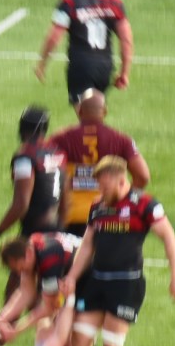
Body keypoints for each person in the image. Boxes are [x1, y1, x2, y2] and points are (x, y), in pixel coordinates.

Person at [59, 155, 175, 346]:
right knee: (79, 339)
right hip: (97, 281)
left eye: (104, 186)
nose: (101, 192)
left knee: (111, 344)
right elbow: (88, 245)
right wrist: (71, 276)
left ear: (120, 180)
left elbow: (168, 236)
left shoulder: (145, 205)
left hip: (126, 284)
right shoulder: (99, 206)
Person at [0, 106, 66, 300]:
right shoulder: (58, 154)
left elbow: (21, 204)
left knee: (15, 292)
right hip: (57, 230)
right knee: (45, 295)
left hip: (34, 233)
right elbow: (65, 201)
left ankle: (5, 321)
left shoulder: (24, 158)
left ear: (21, 128)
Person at [35, 0, 134, 109]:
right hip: (105, 67)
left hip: (80, 66)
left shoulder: (69, 2)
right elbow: (126, 40)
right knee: (96, 114)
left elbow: (54, 37)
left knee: (87, 118)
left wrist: (42, 63)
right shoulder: (114, 2)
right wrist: (124, 73)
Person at [48, 89, 150, 236]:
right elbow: (143, 177)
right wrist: (121, 200)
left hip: (71, 216)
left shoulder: (60, 138)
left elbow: (47, 172)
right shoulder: (121, 140)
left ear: (79, 111)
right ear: (105, 112)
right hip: (108, 214)